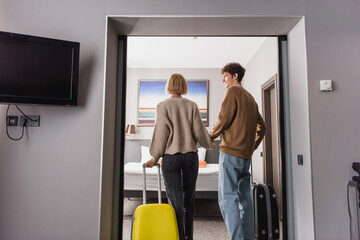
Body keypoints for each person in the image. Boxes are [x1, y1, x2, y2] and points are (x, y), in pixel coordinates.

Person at [145, 73, 214, 240]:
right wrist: (209, 144)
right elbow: (199, 130)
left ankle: (179, 236)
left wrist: (154, 157)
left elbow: (161, 133)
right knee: (189, 200)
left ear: (169, 86)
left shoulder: (162, 106)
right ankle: (189, 236)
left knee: (175, 202)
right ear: (183, 86)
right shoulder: (192, 105)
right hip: (190, 156)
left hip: (171, 158)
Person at [210, 62, 266, 240]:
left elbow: (223, 118)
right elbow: (262, 127)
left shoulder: (233, 91)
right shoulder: (250, 98)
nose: (223, 80)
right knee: (244, 200)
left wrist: (211, 135)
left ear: (235, 76)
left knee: (226, 199)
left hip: (230, 154)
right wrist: (252, 146)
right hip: (245, 157)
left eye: (225, 76)